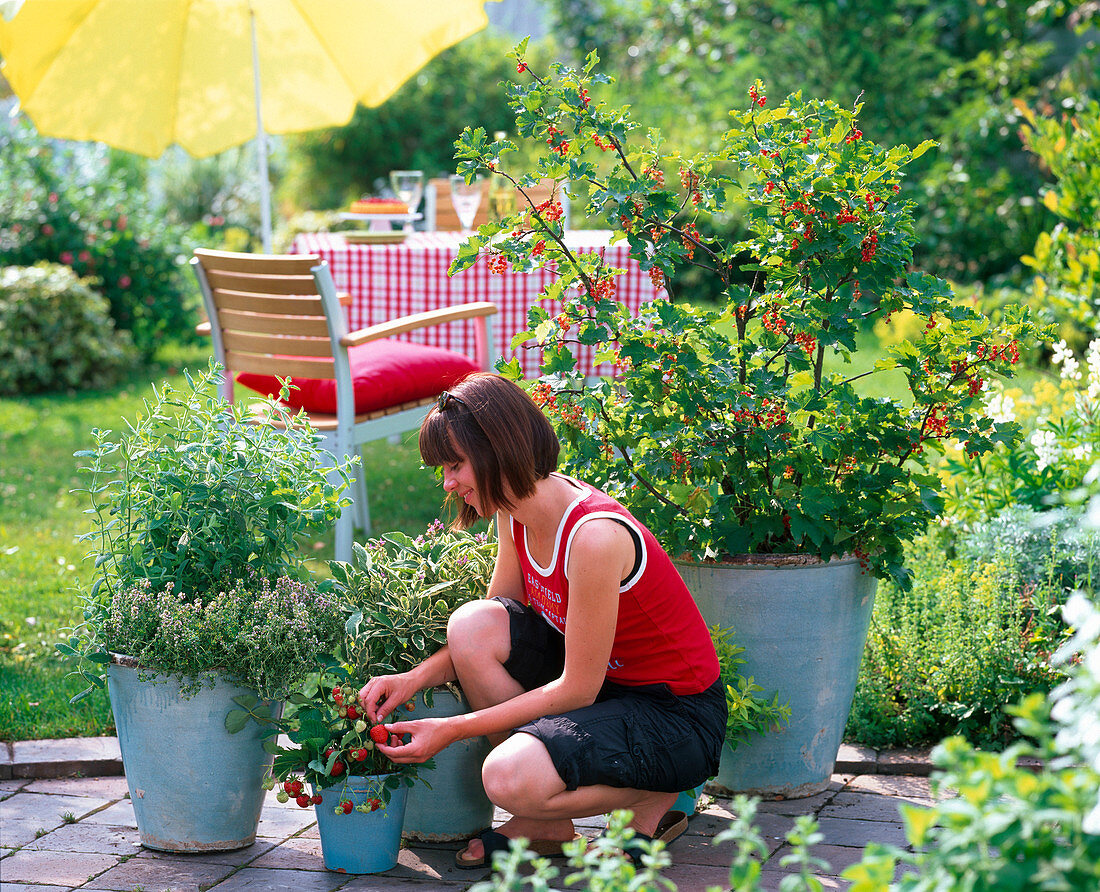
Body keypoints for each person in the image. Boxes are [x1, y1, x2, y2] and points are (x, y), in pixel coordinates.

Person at [358, 372, 726, 868]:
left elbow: (577, 689)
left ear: (497, 450)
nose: (448, 483)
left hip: (675, 716)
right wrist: (414, 677)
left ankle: (651, 797)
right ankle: (545, 823)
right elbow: (499, 622)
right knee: (473, 624)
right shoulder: (515, 512)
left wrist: (453, 728)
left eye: (455, 465)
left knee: (506, 776)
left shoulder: (594, 538)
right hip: (608, 689)